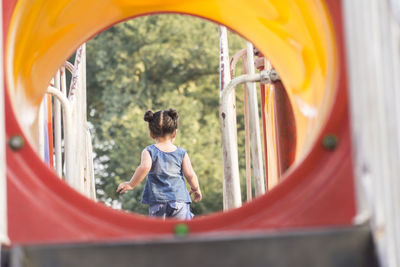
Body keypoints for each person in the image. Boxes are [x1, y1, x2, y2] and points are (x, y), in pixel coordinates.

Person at [116, 109, 202, 220]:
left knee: (159, 233)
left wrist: (131, 184)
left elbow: (144, 167)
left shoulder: (149, 151)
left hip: (158, 202)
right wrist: (196, 188)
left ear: (151, 134)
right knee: (182, 231)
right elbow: (190, 174)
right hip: (179, 200)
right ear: (175, 133)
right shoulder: (181, 153)